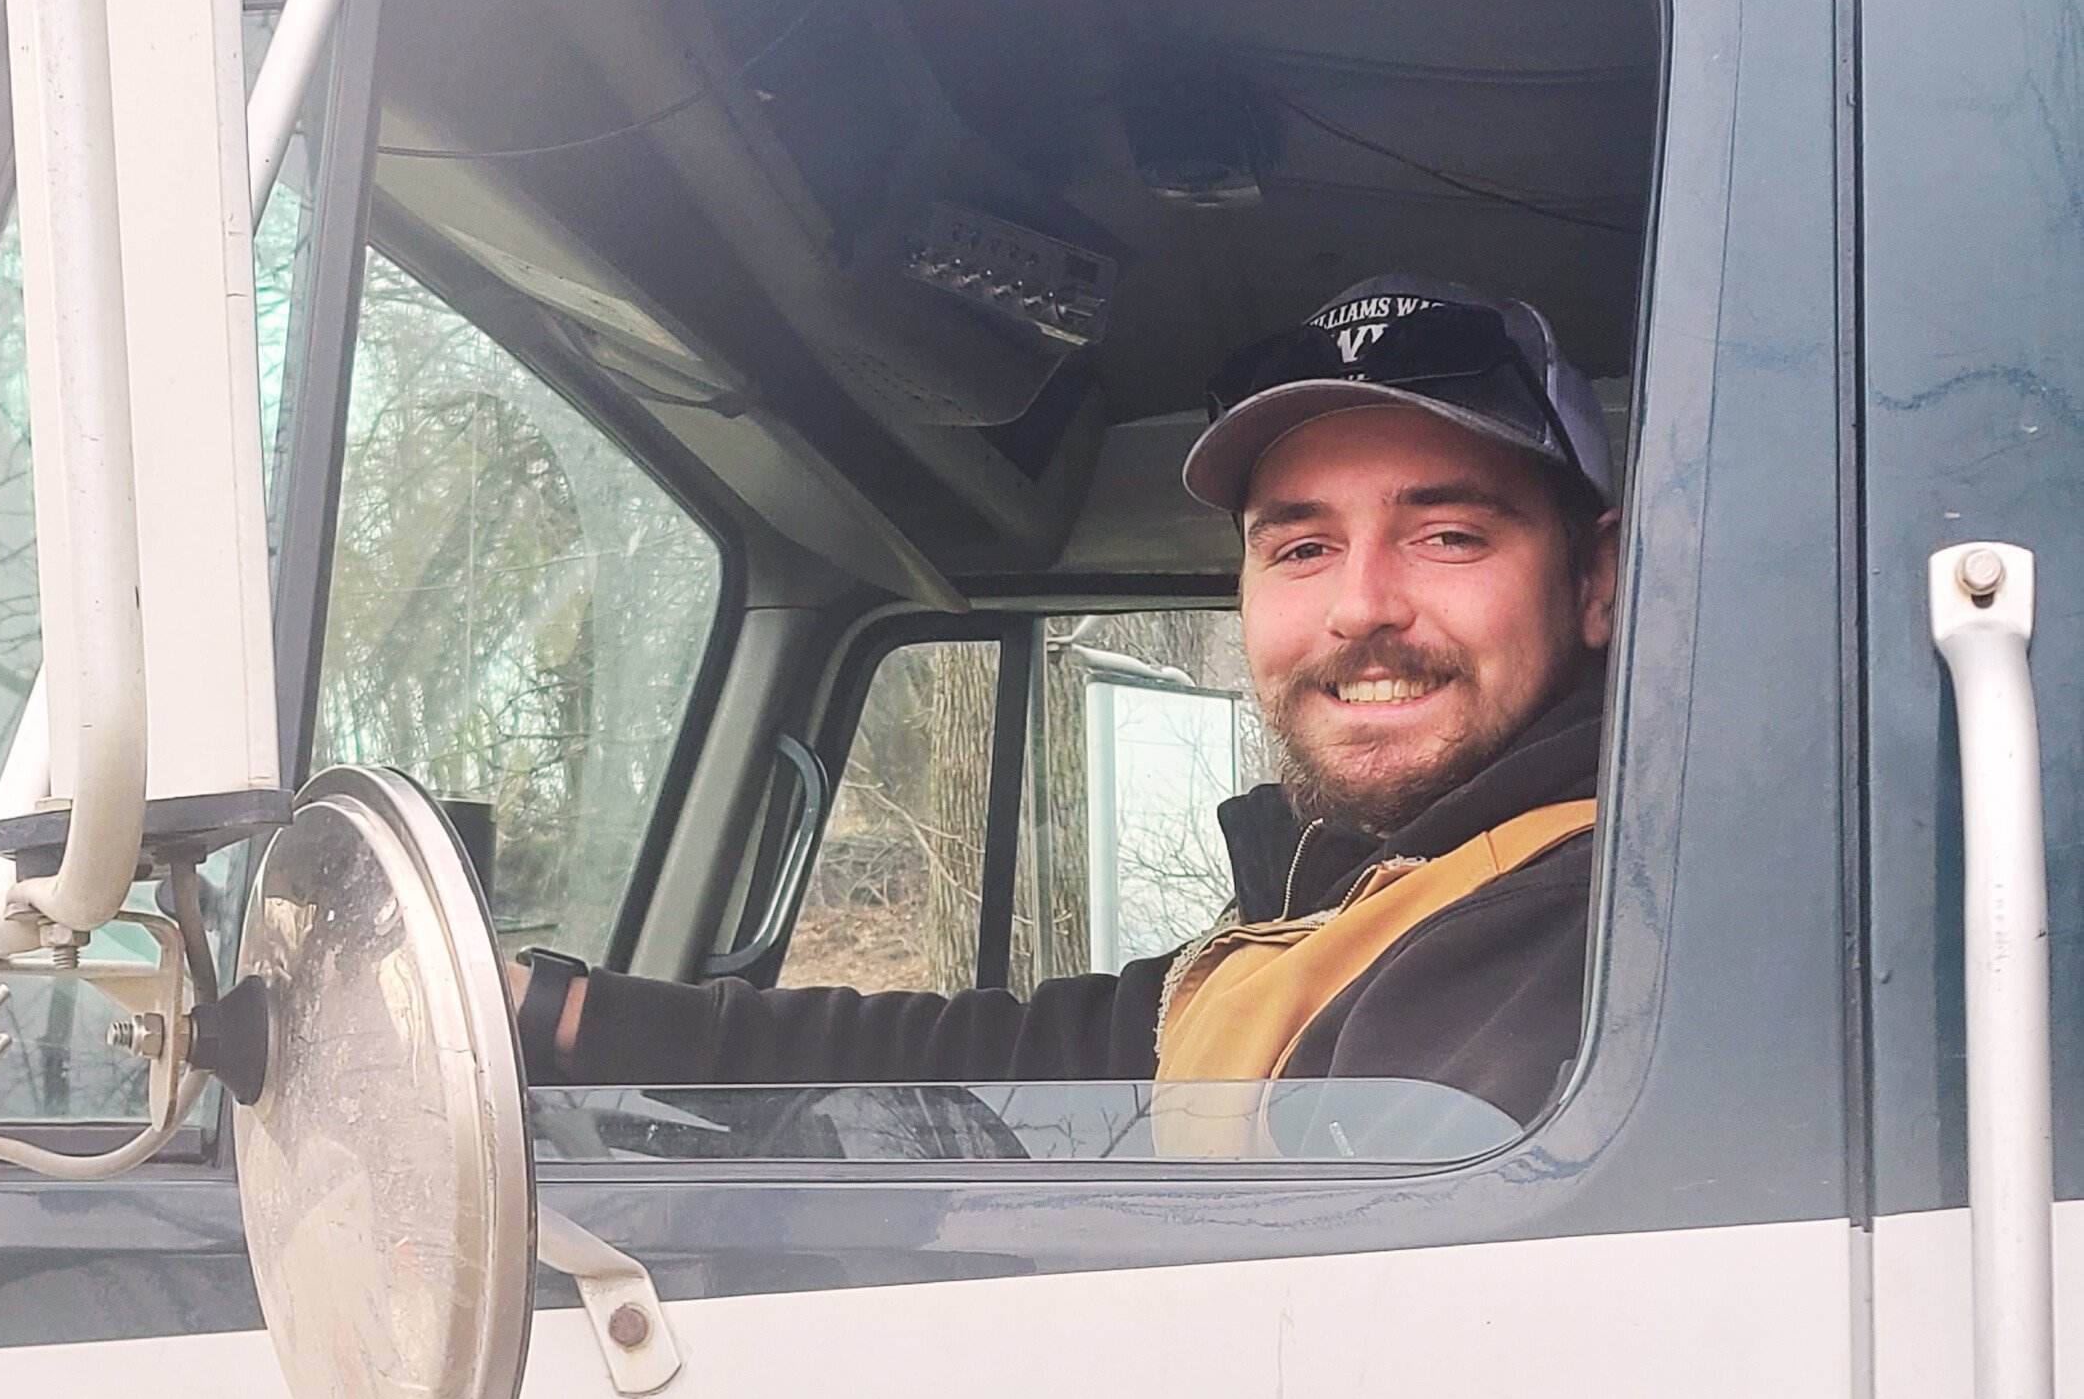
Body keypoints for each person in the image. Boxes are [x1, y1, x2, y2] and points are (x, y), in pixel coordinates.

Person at [513, 275, 1619, 1129]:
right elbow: (1048, 1055)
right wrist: (565, 1015)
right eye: (1302, 546)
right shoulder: (1364, 890)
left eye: (1448, 536)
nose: (1359, 607)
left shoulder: (1576, 938)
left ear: (1597, 584)